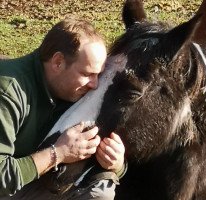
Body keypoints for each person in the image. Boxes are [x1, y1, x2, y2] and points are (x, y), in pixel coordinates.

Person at [0, 17, 126, 199]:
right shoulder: (8, 93)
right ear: (58, 62)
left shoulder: (74, 90)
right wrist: (58, 153)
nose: (95, 84)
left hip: (38, 181)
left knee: (101, 191)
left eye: (99, 74)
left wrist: (117, 163)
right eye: (87, 74)